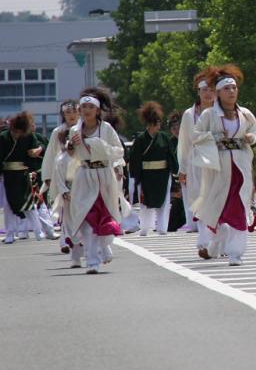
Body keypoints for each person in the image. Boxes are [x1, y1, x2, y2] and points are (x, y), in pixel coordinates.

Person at [191, 64, 256, 265]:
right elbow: (196, 136)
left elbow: (255, 131)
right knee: (218, 208)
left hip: (240, 166)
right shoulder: (208, 115)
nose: (232, 92)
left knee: (238, 207)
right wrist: (213, 136)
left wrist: (251, 137)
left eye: (234, 88)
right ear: (218, 93)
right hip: (218, 168)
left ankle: (235, 253)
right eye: (227, 89)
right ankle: (214, 246)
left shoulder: (245, 114)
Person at [65, 88, 129, 274]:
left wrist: (95, 145)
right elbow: (74, 156)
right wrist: (71, 148)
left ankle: (104, 246)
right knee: (86, 218)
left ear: (98, 110)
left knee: (105, 215)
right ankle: (92, 260)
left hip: (104, 176)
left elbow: (119, 151)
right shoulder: (74, 130)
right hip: (84, 176)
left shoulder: (106, 129)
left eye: (90, 107)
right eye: (83, 106)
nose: (86, 110)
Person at [178, 70, 216, 258]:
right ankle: (203, 242)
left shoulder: (222, 111)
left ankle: (217, 241)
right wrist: (182, 169)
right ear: (199, 93)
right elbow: (184, 143)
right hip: (195, 163)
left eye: (211, 89)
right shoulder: (188, 114)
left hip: (218, 161)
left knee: (217, 200)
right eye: (204, 90)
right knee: (200, 201)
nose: (208, 93)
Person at [129, 102, 177, 236]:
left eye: (158, 123)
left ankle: (162, 227)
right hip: (146, 175)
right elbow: (135, 158)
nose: (157, 126)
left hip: (162, 173)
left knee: (164, 201)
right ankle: (144, 227)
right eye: (155, 123)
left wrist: (174, 170)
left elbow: (171, 155)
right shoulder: (140, 139)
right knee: (145, 202)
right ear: (148, 124)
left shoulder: (164, 138)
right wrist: (135, 175)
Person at [42, 100, 80, 252]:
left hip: (82, 173)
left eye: (73, 111)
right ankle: (65, 240)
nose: (71, 115)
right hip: (62, 174)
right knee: (65, 209)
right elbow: (51, 154)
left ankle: (81, 238)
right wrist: (48, 175)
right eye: (67, 112)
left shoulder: (83, 130)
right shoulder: (58, 132)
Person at [0, 112, 40, 243]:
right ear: (11, 128)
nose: (17, 134)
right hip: (7, 174)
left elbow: (39, 146)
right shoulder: (3, 137)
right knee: (8, 205)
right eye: (15, 131)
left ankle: (38, 231)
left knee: (29, 204)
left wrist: (37, 150)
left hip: (24, 173)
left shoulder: (28, 136)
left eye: (20, 132)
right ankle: (10, 233)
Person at [166, 111, 186, 232]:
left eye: (179, 127)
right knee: (171, 225)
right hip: (177, 181)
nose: (176, 130)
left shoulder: (189, 140)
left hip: (192, 178)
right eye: (173, 128)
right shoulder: (170, 143)